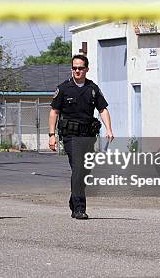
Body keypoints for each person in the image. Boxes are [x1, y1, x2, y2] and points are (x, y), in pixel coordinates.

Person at [48, 54, 114, 220]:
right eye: (74, 68)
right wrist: (51, 135)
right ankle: (79, 207)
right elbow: (54, 112)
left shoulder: (92, 88)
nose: (77, 71)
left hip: (88, 136)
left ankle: (73, 198)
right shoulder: (63, 89)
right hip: (71, 136)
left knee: (85, 171)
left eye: (80, 68)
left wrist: (109, 129)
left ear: (86, 69)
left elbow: (103, 109)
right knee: (78, 168)